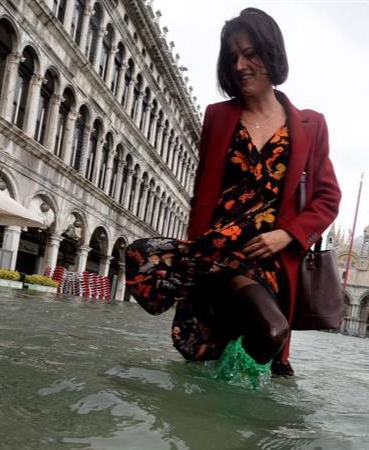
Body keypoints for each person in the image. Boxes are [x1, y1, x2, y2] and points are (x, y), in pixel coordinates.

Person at [125, 8, 340, 381]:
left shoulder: (310, 124)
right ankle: (223, 398)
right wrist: (197, 248)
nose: (240, 65)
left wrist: (287, 234)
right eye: (233, 57)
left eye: (250, 53)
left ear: (271, 54)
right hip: (219, 252)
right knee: (266, 331)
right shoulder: (218, 116)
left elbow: (327, 197)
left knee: (268, 336)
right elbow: (205, 191)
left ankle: (229, 406)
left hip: (270, 258)